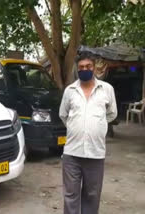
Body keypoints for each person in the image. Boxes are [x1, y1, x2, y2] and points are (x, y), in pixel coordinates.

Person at [59, 52, 117, 214]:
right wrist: (77, 126)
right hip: (72, 153)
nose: (85, 69)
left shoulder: (107, 89)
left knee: (92, 196)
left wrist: (96, 125)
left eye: (88, 66)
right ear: (77, 69)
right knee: (70, 196)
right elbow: (63, 115)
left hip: (95, 154)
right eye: (81, 67)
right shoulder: (70, 91)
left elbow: (112, 114)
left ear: (94, 67)